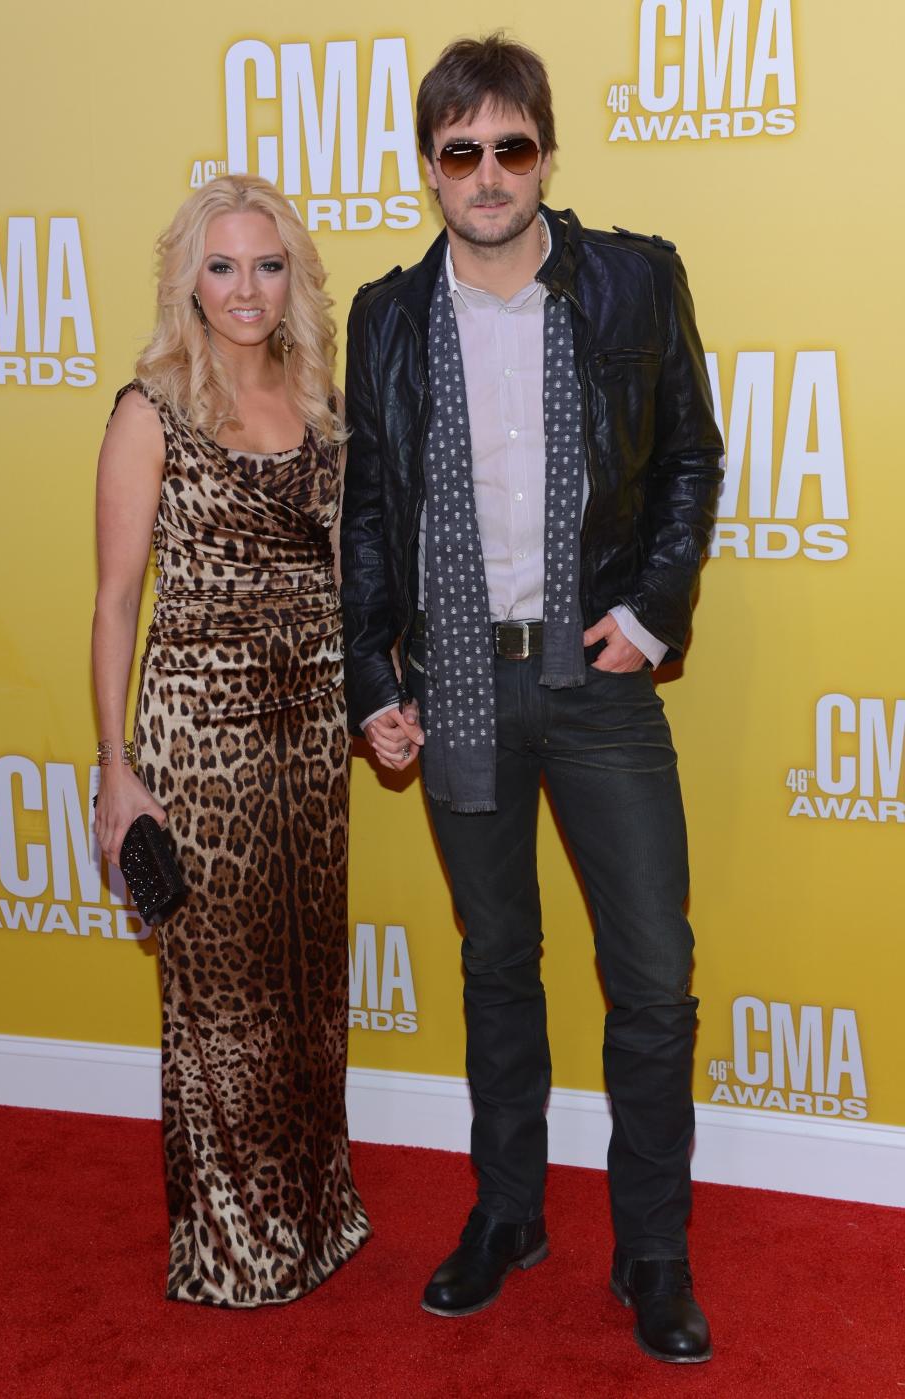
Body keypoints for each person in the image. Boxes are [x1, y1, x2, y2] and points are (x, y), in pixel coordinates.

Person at [340, 34, 723, 1363]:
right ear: (433, 168)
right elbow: (374, 516)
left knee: (655, 978)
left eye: (512, 147)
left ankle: (654, 1248)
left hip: (597, 672)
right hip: (453, 671)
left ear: (544, 153)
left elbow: (690, 455)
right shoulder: (389, 316)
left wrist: (651, 610)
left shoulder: (630, 279)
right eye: (463, 152)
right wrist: (369, 677)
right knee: (496, 962)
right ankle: (507, 1213)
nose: (490, 174)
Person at [92, 174, 370, 1306]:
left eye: (266, 265)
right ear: (188, 281)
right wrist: (117, 772)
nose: (246, 287)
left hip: (312, 732)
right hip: (199, 734)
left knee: (306, 987)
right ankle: (235, 1245)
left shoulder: (320, 399)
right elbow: (118, 600)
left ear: (292, 278)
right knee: (222, 1006)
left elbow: (347, 576)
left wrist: (374, 698)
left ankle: (314, 1214)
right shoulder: (149, 408)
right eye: (222, 265)